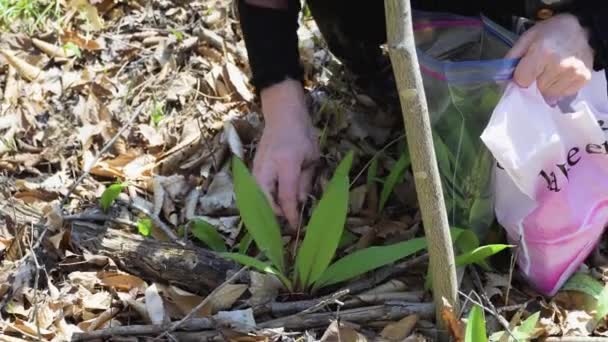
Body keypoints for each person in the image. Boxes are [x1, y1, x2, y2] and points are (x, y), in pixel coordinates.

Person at [236, 0, 608, 228]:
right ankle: (384, 70)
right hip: (389, 35)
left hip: (545, 37)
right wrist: (282, 106)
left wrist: (588, 27)